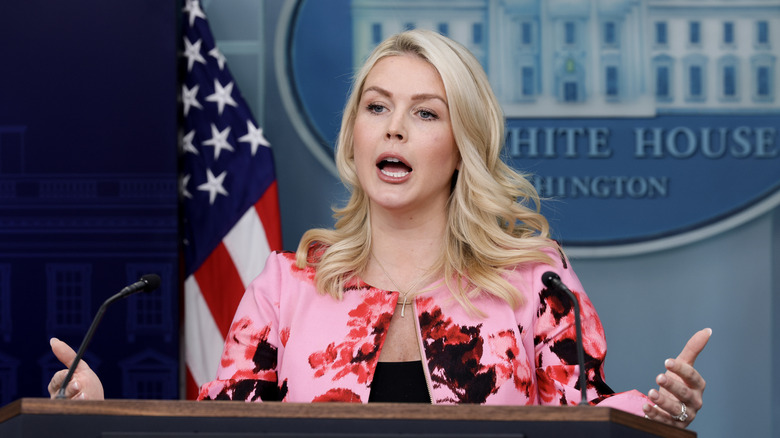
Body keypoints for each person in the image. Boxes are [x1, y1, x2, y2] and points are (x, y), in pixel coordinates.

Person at [48, 29, 710, 429]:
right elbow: (223, 426)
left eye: (425, 113)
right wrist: (103, 414)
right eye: (377, 107)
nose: (394, 126)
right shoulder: (288, 285)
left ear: (463, 145)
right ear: (355, 135)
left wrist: (659, 414)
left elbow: (585, 417)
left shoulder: (533, 278)